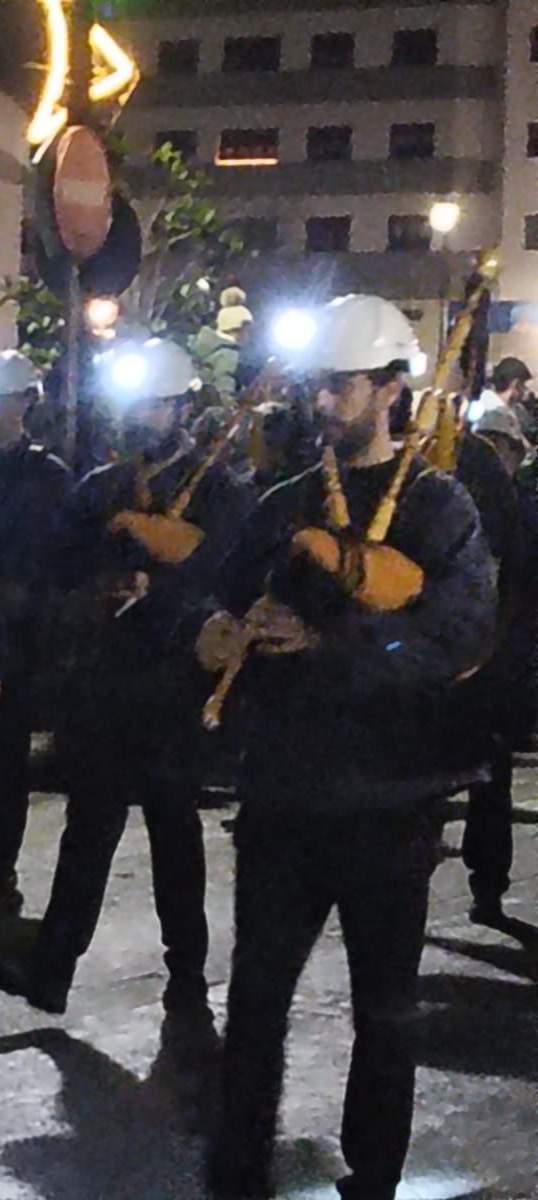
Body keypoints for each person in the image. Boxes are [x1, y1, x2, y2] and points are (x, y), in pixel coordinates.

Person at [200, 294, 497, 1200]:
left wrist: (330, 647)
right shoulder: (282, 503)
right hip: (284, 792)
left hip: (390, 802)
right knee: (254, 1005)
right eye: (318, 385)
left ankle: (373, 1178)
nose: (322, 403)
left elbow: (455, 640)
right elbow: (214, 599)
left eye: (342, 385)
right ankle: (237, 1174)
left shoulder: (442, 510)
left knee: (386, 1013)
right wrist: (215, 635)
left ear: (393, 390)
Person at [0, 338, 254, 1017]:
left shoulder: (219, 489)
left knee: (174, 833)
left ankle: (187, 973)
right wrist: (100, 584)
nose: (141, 415)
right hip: (106, 682)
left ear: (181, 407)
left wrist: (162, 583)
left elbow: (222, 573)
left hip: (173, 686)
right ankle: (53, 969)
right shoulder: (102, 486)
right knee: (89, 829)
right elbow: (62, 566)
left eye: (155, 403)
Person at [0, 351, 73, 910]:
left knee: (7, 759)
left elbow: (56, 553)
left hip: (19, 632)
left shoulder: (46, 474)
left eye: (4, 399)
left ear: (27, 402)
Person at [455, 404, 535, 924]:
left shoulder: (522, 514)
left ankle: (488, 882)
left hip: (499, 663)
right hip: (459, 661)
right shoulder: (457, 507)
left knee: (490, 777)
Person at [473, 356, 535, 441]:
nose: (525, 391)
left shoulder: (508, 409)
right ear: (515, 384)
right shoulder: (497, 413)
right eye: (523, 386)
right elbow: (514, 449)